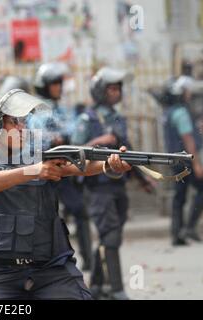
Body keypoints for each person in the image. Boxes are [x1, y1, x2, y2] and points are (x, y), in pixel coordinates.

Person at [0, 89, 132, 300]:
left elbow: (80, 165)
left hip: (53, 269)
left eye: (24, 121)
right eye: (15, 121)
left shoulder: (42, 152)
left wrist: (109, 163)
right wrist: (34, 170)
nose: (22, 127)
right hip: (3, 273)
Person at [71, 67, 137, 300]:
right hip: (97, 187)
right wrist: (99, 141)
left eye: (118, 88)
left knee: (111, 234)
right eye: (111, 88)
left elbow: (128, 152)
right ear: (100, 91)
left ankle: (96, 287)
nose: (116, 92)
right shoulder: (86, 119)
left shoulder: (117, 118)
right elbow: (74, 153)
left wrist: (143, 178)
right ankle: (117, 289)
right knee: (110, 236)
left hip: (118, 185)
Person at [32, 62, 92, 271]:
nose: (59, 86)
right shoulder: (38, 110)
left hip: (67, 171)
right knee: (50, 218)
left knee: (80, 211)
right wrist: (53, 140)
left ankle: (88, 260)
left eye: (60, 82)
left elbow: (72, 132)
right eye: (55, 83)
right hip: (47, 171)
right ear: (44, 85)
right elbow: (36, 139)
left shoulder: (61, 109)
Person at [160, 76, 203, 245]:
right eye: (186, 91)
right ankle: (189, 228)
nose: (189, 94)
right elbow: (187, 139)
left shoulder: (167, 113)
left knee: (179, 197)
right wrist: (196, 164)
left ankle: (177, 234)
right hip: (186, 161)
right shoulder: (181, 112)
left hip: (174, 160)